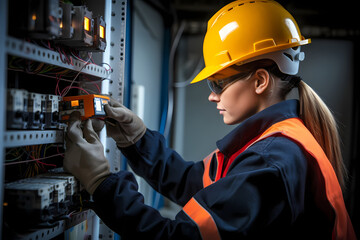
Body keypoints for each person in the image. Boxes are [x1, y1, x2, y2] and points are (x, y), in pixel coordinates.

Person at [64, 0, 356, 239]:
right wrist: (137, 140)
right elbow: (193, 182)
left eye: (217, 83)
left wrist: (102, 183)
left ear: (259, 81)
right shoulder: (272, 142)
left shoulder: (270, 161)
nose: (212, 96)